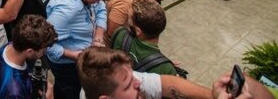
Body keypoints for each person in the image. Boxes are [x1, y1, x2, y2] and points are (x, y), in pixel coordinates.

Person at [46, 0, 114, 99]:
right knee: (70, 92)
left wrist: (98, 37)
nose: (98, 2)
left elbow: (101, 9)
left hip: (80, 57)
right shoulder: (65, 11)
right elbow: (45, 45)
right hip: (67, 66)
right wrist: (75, 56)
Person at [77, 48, 212, 99]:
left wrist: (214, 95)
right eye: (128, 85)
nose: (139, 81)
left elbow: (166, 83)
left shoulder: (95, 86)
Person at [0, 14, 57, 99]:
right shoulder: (14, 92)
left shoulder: (8, 47)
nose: (44, 52)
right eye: (43, 50)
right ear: (29, 51)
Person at [109, 0, 177, 76]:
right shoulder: (166, 69)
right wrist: (164, 62)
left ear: (138, 31)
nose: (127, 20)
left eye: (128, 18)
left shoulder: (120, 34)